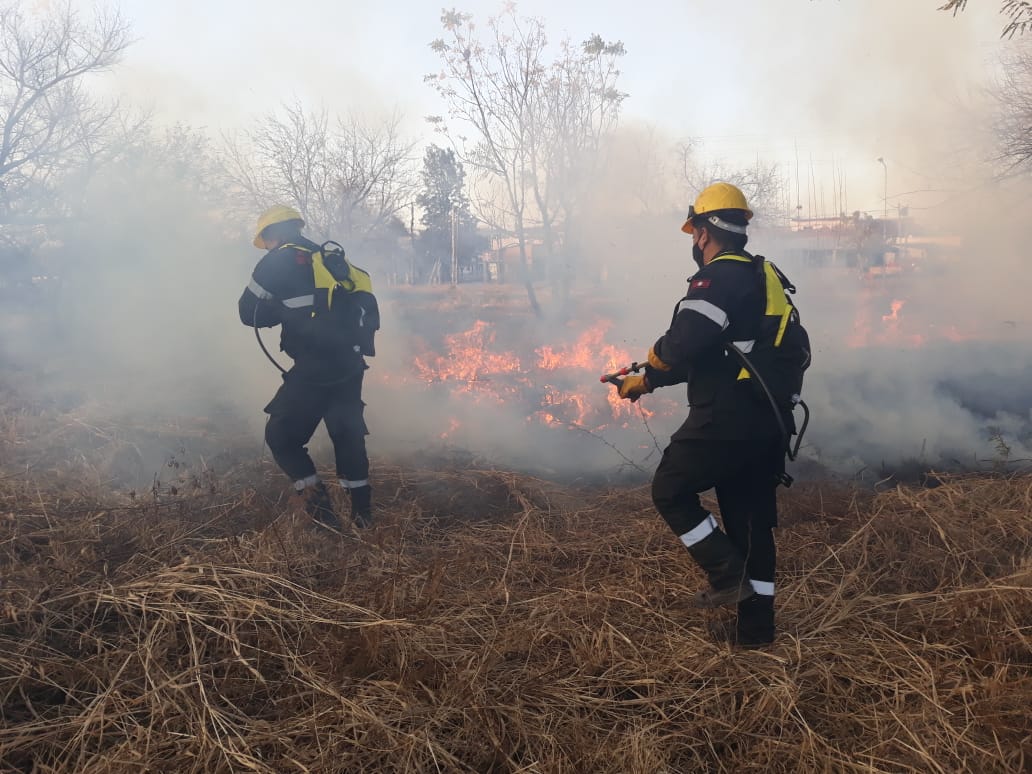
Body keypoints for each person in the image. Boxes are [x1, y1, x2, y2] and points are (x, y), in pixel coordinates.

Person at [614, 182, 810, 648]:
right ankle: (757, 635)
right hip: (767, 419)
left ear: (703, 232)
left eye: (694, 232)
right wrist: (647, 380)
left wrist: (655, 358)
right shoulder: (761, 274)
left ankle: (727, 572)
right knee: (748, 520)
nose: (694, 242)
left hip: (728, 418)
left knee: (670, 490)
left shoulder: (717, 277)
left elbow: (686, 341)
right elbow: (722, 355)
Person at [238, 205, 380, 532]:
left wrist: (280, 310)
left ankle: (322, 515)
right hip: (351, 363)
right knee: (347, 436)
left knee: (281, 436)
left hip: (315, 367)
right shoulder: (328, 259)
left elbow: (249, 314)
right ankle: (363, 518)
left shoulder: (277, 259)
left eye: (266, 239)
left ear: (272, 234)